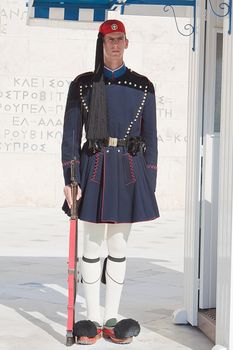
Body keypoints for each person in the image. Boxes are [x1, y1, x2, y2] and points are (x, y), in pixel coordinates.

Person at [61, 19, 159, 345]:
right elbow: (71, 135)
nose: (114, 45)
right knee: (91, 246)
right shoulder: (83, 84)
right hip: (93, 168)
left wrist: (149, 182)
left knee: (118, 245)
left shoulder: (143, 86)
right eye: (108, 40)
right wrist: (70, 178)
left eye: (119, 39)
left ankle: (112, 317)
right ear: (101, 44)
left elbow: (150, 139)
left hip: (129, 172)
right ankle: (91, 317)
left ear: (127, 43)